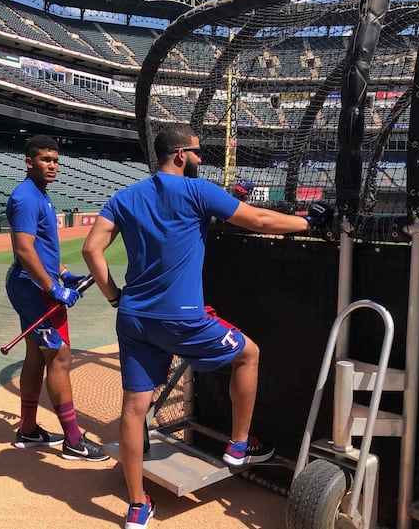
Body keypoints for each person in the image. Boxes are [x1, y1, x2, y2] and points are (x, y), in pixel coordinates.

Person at [82, 124, 334, 528]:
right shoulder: (197, 191)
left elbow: (91, 249)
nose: (202, 159)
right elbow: (262, 221)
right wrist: (309, 223)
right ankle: (238, 446)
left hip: (134, 318)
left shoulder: (125, 196)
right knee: (249, 354)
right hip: (181, 318)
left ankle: (137, 507)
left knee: (133, 409)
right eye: (198, 153)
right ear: (180, 155)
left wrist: (114, 296)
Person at [5, 134, 109, 462]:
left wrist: (64, 274)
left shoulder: (41, 195)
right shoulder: (25, 198)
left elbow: (43, 247)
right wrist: (52, 288)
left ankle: (28, 429)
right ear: (29, 162)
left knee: (37, 355)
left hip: (37, 285)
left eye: (56, 160)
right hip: (33, 289)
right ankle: (74, 441)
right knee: (60, 357)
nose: (53, 166)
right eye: (46, 159)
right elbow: (24, 250)